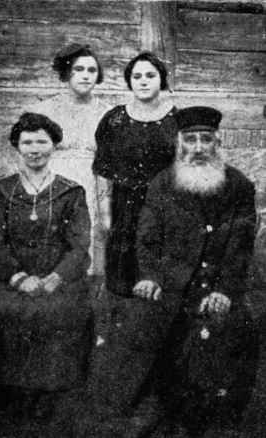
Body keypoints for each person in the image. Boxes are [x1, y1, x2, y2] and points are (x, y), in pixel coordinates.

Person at [134, 106, 259, 437]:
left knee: (236, 327)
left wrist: (225, 290)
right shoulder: (162, 184)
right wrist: (150, 276)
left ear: (218, 143)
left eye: (206, 139)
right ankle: (166, 409)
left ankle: (217, 414)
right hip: (172, 284)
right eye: (191, 139)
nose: (199, 147)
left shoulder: (239, 186)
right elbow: (147, 239)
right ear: (180, 143)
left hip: (218, 285)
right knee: (157, 331)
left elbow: (241, 247)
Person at [0, 112, 92, 436]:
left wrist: (54, 279)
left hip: (58, 282)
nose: (34, 149)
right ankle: (6, 409)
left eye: (41, 141)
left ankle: (51, 411)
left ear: (53, 146)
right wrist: (19, 277)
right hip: (12, 281)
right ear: (17, 147)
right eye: (27, 142)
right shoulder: (4, 192)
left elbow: (80, 247)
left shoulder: (71, 193)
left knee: (61, 315)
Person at [93, 50, 177, 297]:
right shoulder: (115, 119)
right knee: (122, 283)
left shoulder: (177, 120)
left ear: (161, 80)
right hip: (124, 208)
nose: (143, 81)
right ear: (129, 81)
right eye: (137, 75)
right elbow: (102, 169)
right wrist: (105, 213)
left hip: (164, 207)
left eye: (150, 75)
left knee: (159, 283)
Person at [31, 43, 110, 279]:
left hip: (90, 184)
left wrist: (105, 202)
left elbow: (107, 162)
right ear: (67, 72)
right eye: (79, 69)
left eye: (92, 70)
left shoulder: (107, 113)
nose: (86, 75)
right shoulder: (44, 111)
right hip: (51, 183)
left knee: (85, 244)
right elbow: (30, 156)